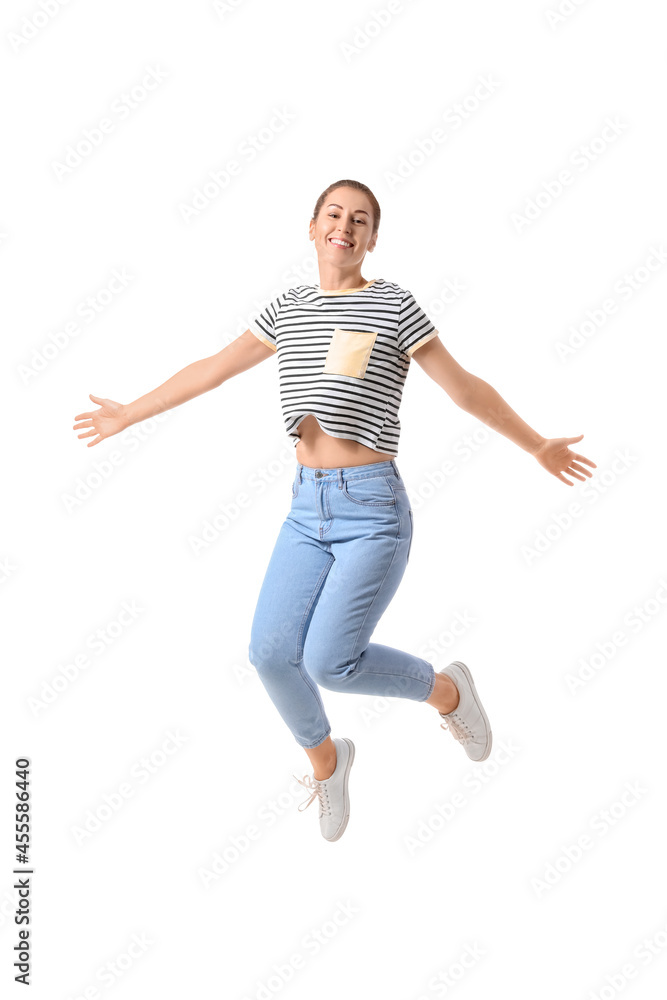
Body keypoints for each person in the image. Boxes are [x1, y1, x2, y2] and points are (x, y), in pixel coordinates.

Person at [73, 178, 597, 844]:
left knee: (329, 662)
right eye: (333, 214)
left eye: (360, 219)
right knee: (268, 654)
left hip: (372, 510)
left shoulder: (392, 306)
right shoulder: (288, 308)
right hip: (306, 509)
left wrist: (535, 445)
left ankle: (447, 693)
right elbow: (212, 368)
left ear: (372, 239)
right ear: (313, 227)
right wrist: (129, 412)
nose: (343, 225)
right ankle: (327, 761)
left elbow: (463, 389)